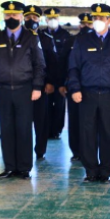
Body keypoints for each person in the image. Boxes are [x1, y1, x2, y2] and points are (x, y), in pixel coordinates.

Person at [66, 3, 110, 183]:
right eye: (95, 18)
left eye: (102, 18)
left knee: (108, 133)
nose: (98, 21)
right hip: (87, 94)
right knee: (87, 133)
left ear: (109, 21)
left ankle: (105, 171)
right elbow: (73, 67)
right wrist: (75, 89)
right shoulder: (82, 41)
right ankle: (91, 170)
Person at [0, 0, 46, 179]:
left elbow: (39, 65)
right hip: (3, 90)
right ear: (4, 16)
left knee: (24, 128)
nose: (11, 17)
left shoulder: (31, 38)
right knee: (6, 129)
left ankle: (24, 168)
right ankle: (10, 167)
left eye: (15, 15)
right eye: (8, 15)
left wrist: (37, 87)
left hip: (24, 89)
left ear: (21, 16)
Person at [23, 5, 59, 161]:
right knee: (23, 120)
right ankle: (23, 150)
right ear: (23, 18)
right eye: (28, 17)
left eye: (35, 17)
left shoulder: (46, 39)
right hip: (22, 85)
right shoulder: (19, 37)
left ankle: (40, 150)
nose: (32, 20)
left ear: (39, 19)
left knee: (41, 121)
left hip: (41, 86)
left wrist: (50, 82)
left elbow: (52, 62)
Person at [59, 13, 94, 162]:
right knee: (74, 120)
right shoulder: (71, 40)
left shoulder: (99, 41)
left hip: (92, 86)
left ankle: (90, 151)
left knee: (91, 121)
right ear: (79, 25)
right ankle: (76, 151)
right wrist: (61, 83)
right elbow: (62, 62)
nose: (86, 26)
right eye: (83, 24)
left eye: (89, 24)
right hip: (73, 85)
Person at [44, 8, 71, 140]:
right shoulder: (41, 35)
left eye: (55, 18)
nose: (52, 20)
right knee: (46, 106)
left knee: (59, 106)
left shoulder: (66, 36)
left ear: (59, 19)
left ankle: (56, 131)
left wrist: (64, 81)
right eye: (50, 18)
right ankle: (47, 130)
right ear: (46, 20)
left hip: (61, 78)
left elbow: (67, 59)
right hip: (46, 78)